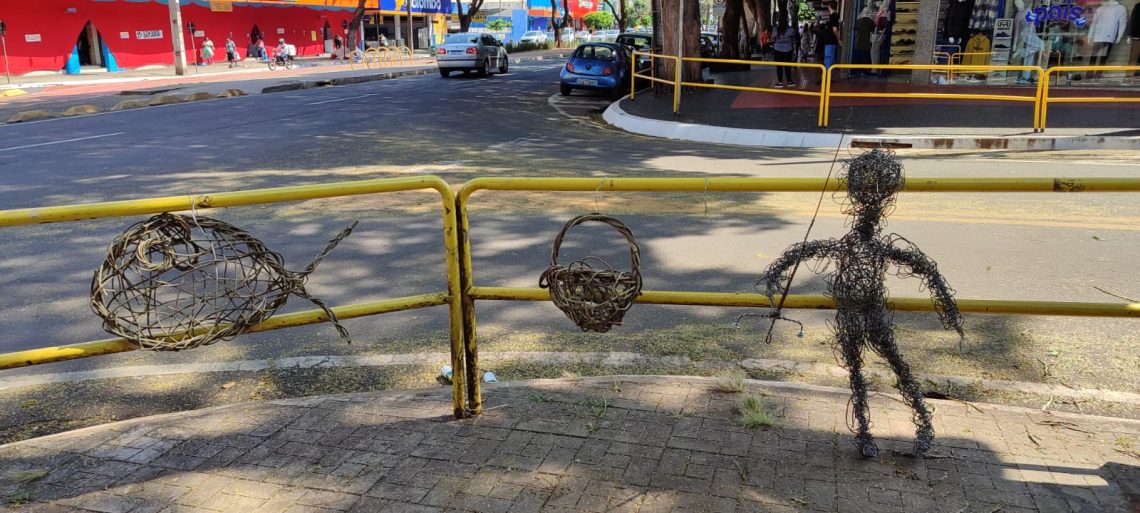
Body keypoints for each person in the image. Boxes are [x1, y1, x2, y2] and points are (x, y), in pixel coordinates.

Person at [771, 15, 797, 87]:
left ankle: (780, 83)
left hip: (777, 50)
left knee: (779, 67)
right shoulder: (790, 29)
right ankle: (789, 81)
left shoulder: (775, 29)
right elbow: (793, 40)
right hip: (788, 49)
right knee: (788, 66)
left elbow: (772, 39)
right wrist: (794, 50)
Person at [818, 1, 841, 69]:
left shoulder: (833, 16)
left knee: (828, 59)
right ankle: (828, 76)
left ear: (829, 6)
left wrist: (838, 39)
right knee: (830, 60)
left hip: (830, 42)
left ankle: (826, 77)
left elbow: (835, 29)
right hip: (830, 42)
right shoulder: (833, 16)